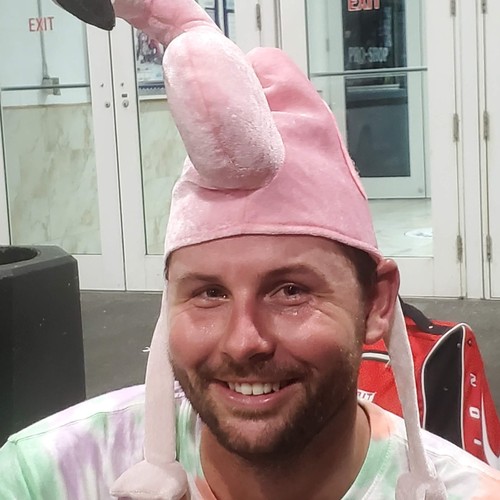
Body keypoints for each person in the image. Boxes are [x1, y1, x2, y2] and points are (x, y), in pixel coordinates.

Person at [1, 0, 499, 498]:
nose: (243, 342)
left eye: (290, 290)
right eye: (209, 293)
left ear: (376, 304)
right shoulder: (43, 477)